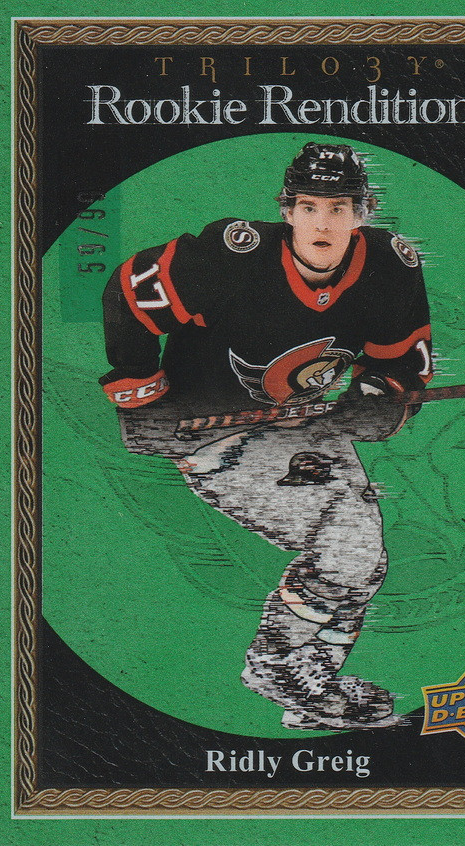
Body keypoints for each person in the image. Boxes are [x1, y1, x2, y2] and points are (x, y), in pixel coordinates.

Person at [99, 142, 433, 730]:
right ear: (287, 210)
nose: (322, 223)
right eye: (309, 207)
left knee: (364, 560)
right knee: (348, 552)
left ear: (362, 213)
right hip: (212, 432)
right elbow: (128, 293)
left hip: (303, 422)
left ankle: (307, 685)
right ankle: (276, 664)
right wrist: (143, 394)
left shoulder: (391, 268)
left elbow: (403, 359)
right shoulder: (232, 257)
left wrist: (379, 397)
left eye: (339, 208)